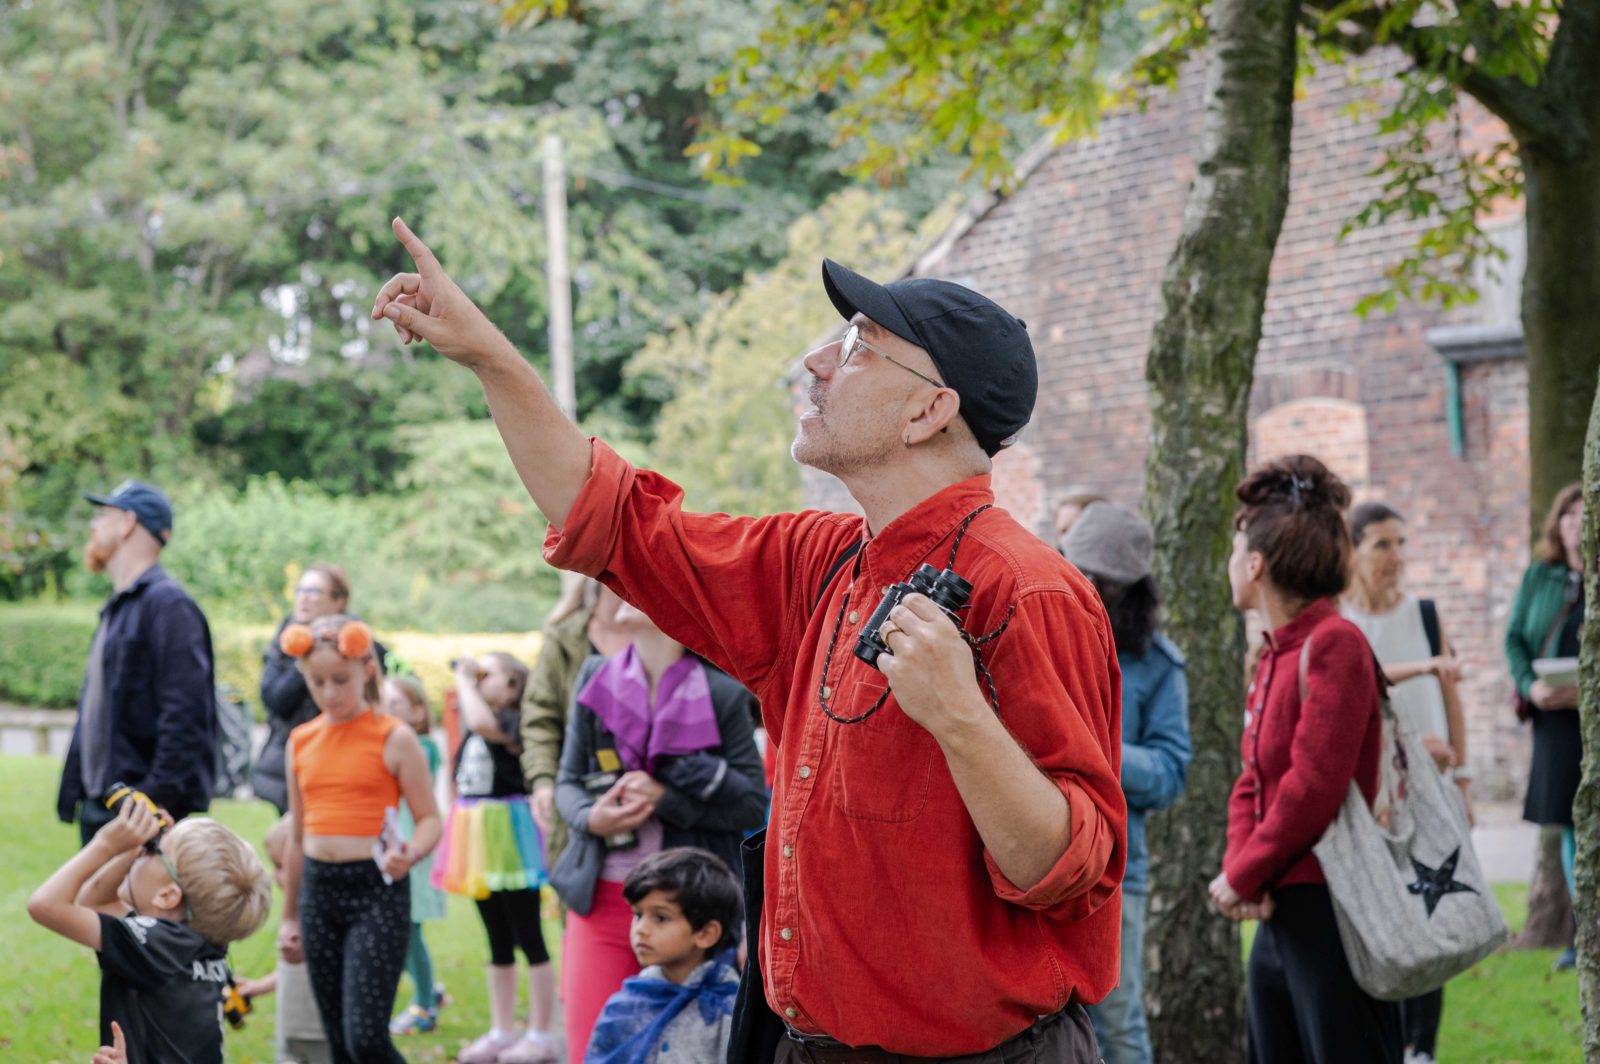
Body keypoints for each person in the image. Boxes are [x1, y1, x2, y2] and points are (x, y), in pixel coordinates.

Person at [373, 219, 1123, 1062]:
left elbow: (1066, 872)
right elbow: (616, 521)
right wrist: (488, 357)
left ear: (930, 410)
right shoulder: (819, 561)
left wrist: (961, 718)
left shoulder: (1032, 592)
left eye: (859, 345)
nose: (816, 362)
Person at [1211, 455, 1402, 1063]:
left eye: (1236, 547)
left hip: (1334, 909)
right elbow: (1254, 780)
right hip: (1281, 911)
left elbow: (1313, 786)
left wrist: (1243, 876)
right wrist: (1249, 876)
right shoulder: (1273, 652)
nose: (1231, 560)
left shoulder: (1335, 643)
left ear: (1257, 565)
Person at [553, 601, 767, 1063]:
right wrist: (592, 818)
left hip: (689, 909)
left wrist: (665, 799)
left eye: (632, 588)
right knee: (588, 1048)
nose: (615, 595)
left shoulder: (722, 695)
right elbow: (566, 783)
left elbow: (752, 804)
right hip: (604, 897)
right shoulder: (595, 678)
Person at [277, 615, 441, 1064]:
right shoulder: (301, 742)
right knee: (337, 1038)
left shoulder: (394, 737)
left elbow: (429, 819)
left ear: (366, 669)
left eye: (340, 680)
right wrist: (289, 916)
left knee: (366, 1036)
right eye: (317, 682)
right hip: (318, 890)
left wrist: (410, 851)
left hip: (375, 892)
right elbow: (297, 836)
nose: (330, 693)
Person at [1340, 501, 1471, 1064]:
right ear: (1353, 551)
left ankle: (1423, 1047)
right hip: (1375, 794)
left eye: (1400, 544)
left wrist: (1462, 775)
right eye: (1382, 545)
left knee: (1434, 907)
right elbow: (1359, 685)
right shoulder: (1340, 621)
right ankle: (1389, 1037)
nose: (1396, 557)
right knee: (1387, 917)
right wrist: (1424, 669)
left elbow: (1451, 695)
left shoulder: (1425, 612)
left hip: (1434, 787)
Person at [1061, 503, 1190, 1064]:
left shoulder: (1159, 665)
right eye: (1078, 568)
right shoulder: (1038, 623)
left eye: (1102, 580)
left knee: (1118, 1024)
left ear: (1130, 589)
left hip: (1115, 871)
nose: (1087, 586)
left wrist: (1088, 746)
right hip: (1024, 859)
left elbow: (1168, 773)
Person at [27, 792, 273, 1064]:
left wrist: (106, 845)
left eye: (153, 848)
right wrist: (133, 849)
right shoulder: (194, 943)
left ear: (167, 896)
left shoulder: (160, 947)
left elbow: (44, 905)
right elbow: (95, 902)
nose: (144, 849)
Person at [58, 480, 217, 844]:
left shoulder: (169, 606)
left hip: (141, 814)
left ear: (128, 523)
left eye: (102, 515)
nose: (92, 526)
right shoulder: (120, 606)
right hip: (107, 804)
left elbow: (186, 714)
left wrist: (152, 799)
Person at [435, 652, 561, 1064]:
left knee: (528, 934)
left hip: (511, 835)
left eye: (491, 674)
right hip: (476, 835)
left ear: (514, 687)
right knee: (497, 938)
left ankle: (541, 1032)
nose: (478, 679)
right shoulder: (478, 715)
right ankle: (502, 1029)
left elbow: (482, 724)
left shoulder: (514, 720)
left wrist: (466, 680)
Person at [1504, 481, 1584, 971]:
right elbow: (1515, 638)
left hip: (1591, 714)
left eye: (1584, 513)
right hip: (1554, 720)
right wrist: (1531, 687)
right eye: (1567, 515)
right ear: (1557, 524)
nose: (1575, 523)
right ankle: (1583, 934)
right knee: (1572, 823)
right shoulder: (1541, 576)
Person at [584, 848, 743, 1064]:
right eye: (638, 915)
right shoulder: (627, 1003)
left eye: (660, 918)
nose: (641, 929)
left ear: (706, 934)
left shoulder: (729, 1011)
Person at [256, 564, 389, 815]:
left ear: (339, 601)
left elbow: (381, 690)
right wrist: (305, 660)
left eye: (314, 591)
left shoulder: (359, 645)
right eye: (300, 590)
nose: (304, 597)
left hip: (349, 757)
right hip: (292, 760)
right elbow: (274, 700)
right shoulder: (284, 643)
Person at [523, 579, 628, 873]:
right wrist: (543, 781)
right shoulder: (565, 639)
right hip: (580, 795)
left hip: (652, 797)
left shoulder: (667, 632)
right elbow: (540, 718)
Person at [381, 674, 450, 1036]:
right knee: (398, 931)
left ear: (419, 711)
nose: (386, 714)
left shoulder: (421, 747)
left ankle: (424, 1005)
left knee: (408, 932)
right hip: (398, 846)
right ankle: (429, 989)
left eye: (395, 706)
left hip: (414, 850)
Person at [235, 814, 333, 1064]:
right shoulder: (296, 914)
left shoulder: (320, 915)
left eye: (280, 865)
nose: (275, 874)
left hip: (317, 1028)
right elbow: (292, 968)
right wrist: (258, 987)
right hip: (293, 1027)